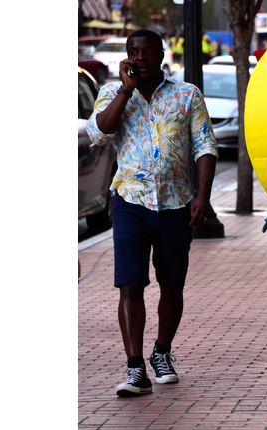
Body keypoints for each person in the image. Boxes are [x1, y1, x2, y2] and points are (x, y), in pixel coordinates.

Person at [86, 29, 219, 397]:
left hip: (176, 203)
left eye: (147, 51)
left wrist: (203, 196)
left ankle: (162, 352)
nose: (140, 58)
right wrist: (125, 90)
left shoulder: (186, 94)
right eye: (134, 52)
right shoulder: (113, 93)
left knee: (172, 284)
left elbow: (205, 146)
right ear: (126, 57)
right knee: (130, 284)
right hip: (130, 201)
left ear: (161, 54)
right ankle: (135, 367)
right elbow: (99, 134)